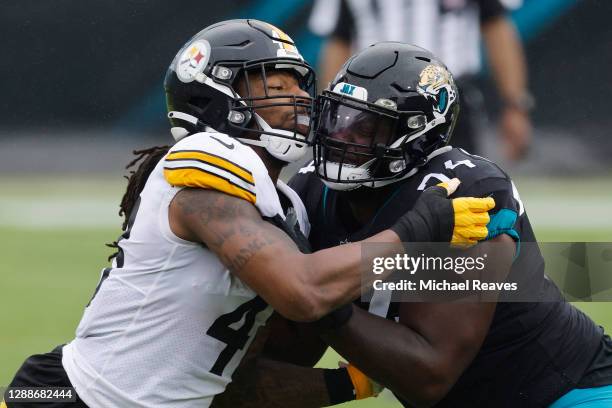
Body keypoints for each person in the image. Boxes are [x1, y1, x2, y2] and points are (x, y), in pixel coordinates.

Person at [4, 22, 495, 408]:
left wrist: (358, 382)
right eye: (273, 85)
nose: (299, 98)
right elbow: (305, 293)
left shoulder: (291, 206)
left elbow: (224, 381)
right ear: (216, 95)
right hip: (63, 397)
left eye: (300, 86)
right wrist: (418, 228)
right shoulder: (208, 158)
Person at [213, 42, 612, 407]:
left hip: (567, 391)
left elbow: (428, 375)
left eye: (367, 127)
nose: (342, 137)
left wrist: (315, 294)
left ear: (418, 136)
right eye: (338, 117)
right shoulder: (313, 188)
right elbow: (290, 352)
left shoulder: (466, 194)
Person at [309, 0, 533, 161]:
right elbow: (338, 39)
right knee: (372, 192)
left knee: (461, 190)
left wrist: (515, 105)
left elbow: (496, 27)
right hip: (375, 102)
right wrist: (334, 109)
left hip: (448, 100)